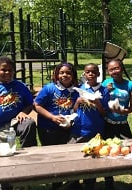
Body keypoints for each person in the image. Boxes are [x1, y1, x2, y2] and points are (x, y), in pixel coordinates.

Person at [0, 56, 37, 190]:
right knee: (3, 158)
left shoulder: (20, 86)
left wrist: (23, 112)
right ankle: (5, 185)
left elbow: (30, 104)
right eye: (3, 70)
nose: (7, 73)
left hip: (16, 122)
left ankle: (29, 157)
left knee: (29, 124)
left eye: (10, 70)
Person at [34, 62, 79, 190]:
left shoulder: (76, 91)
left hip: (67, 129)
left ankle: (73, 184)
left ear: (73, 75)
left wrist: (71, 121)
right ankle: (56, 184)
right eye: (62, 72)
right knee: (53, 157)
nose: (65, 75)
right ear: (56, 74)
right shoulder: (49, 88)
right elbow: (37, 106)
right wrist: (52, 118)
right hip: (48, 129)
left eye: (68, 73)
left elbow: (77, 110)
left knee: (69, 156)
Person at [69, 63, 110, 189]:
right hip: (79, 129)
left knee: (93, 159)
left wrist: (97, 102)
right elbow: (74, 111)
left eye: (93, 72)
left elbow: (104, 113)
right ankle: (74, 182)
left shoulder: (103, 90)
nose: (91, 74)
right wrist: (78, 101)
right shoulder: (80, 89)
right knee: (74, 156)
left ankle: (90, 183)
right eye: (88, 72)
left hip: (96, 131)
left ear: (98, 74)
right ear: (84, 74)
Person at [101, 58, 132, 190]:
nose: (114, 71)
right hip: (108, 124)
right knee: (107, 152)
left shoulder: (131, 86)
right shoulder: (106, 83)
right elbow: (101, 102)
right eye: (111, 69)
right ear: (108, 71)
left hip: (122, 123)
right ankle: (108, 181)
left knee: (131, 151)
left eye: (116, 68)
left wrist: (122, 111)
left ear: (121, 68)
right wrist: (106, 91)